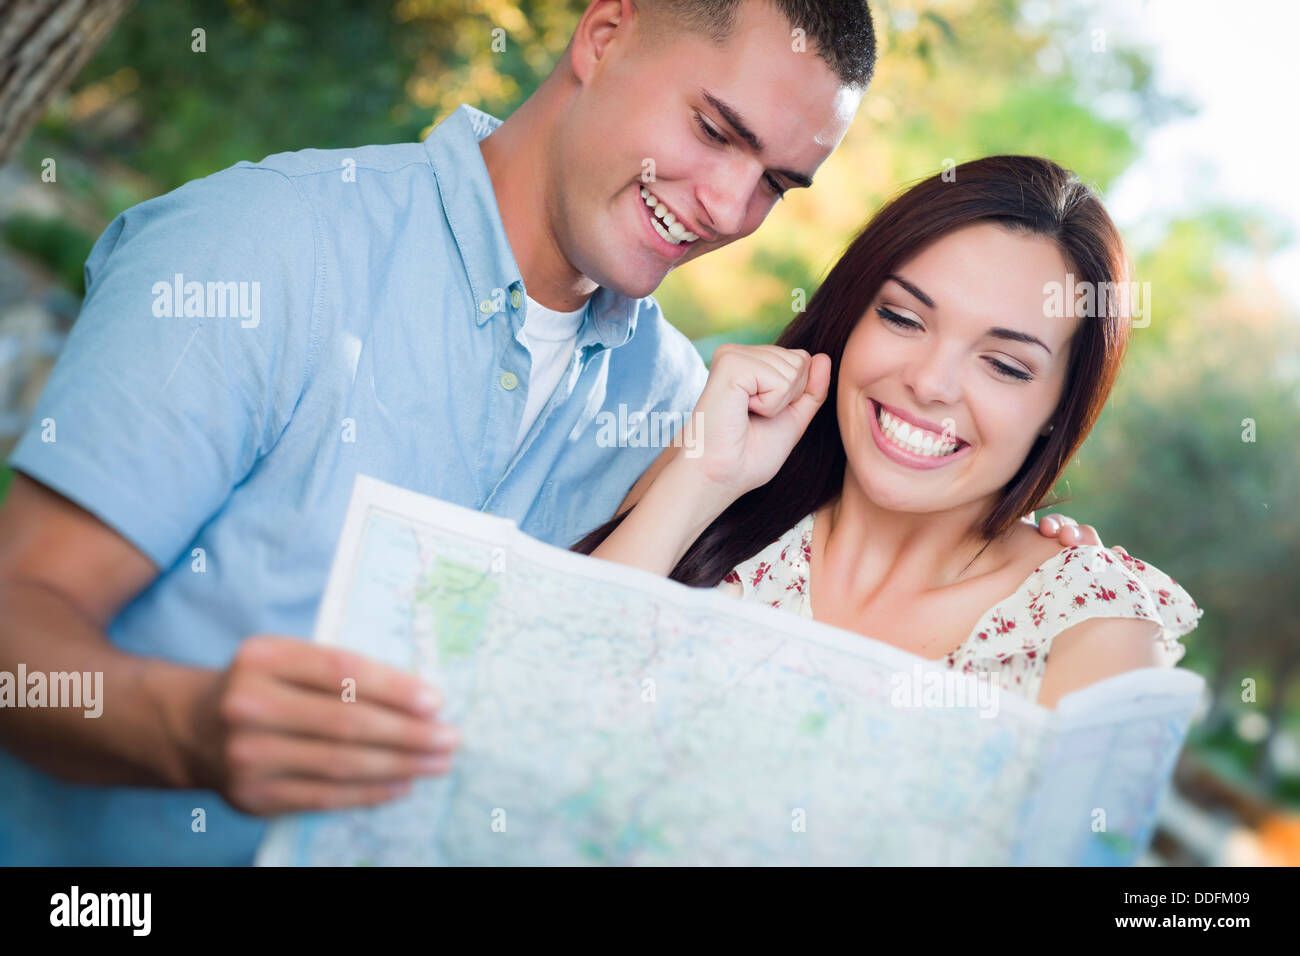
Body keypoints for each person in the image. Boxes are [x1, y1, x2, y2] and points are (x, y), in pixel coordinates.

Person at [0, 1, 1087, 865]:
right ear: (604, 34)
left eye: (774, 183)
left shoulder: (676, 405)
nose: (723, 205)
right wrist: (188, 727)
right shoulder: (266, 246)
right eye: (714, 131)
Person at [578, 155, 1201, 707]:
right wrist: (703, 477)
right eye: (903, 318)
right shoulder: (713, 484)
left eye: (1005, 364)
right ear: (850, 317)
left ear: (1060, 412)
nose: (931, 382)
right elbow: (540, 692)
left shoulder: (1091, 623)